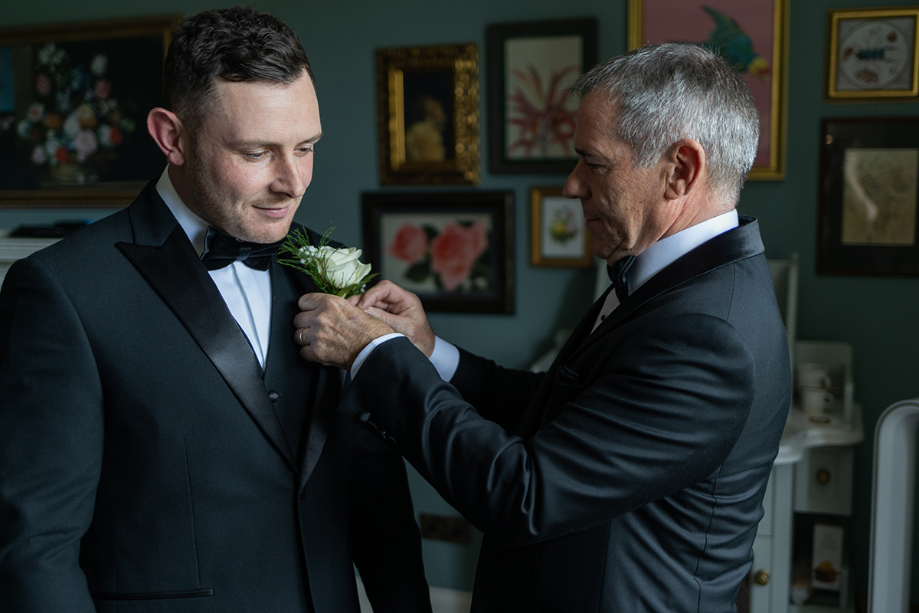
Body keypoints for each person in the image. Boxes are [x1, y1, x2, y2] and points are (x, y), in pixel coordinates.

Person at [293, 43, 792, 612]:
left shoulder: (708, 335)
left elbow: (522, 494)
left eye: (593, 162)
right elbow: (566, 411)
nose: (571, 186)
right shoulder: (676, 280)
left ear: (679, 170)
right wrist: (428, 352)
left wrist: (375, 354)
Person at [0, 7, 431, 613]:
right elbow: (35, 545)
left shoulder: (332, 266)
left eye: (305, 147)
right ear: (171, 136)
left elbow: (376, 496)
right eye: (256, 152)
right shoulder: (62, 290)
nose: (292, 181)